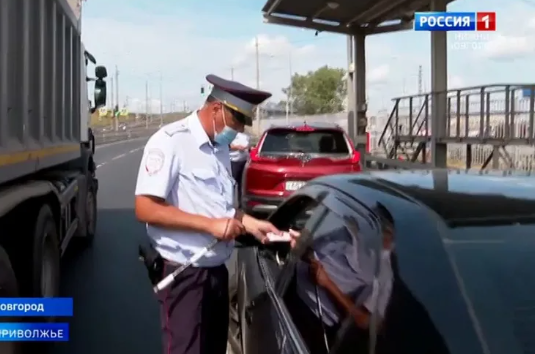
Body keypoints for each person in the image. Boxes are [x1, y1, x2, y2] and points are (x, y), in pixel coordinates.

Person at [135, 74, 282, 354]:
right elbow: (145, 207)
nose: (238, 129)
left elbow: (221, 208)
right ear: (217, 109)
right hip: (184, 273)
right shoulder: (170, 141)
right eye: (236, 121)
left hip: (216, 272)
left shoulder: (219, 148)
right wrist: (209, 226)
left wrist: (252, 224)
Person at [288, 205, 394, 353]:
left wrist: (328, 284)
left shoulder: (384, 274)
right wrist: (304, 248)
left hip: (317, 322)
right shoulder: (351, 235)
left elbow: (366, 323)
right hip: (294, 291)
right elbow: (317, 250)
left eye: (381, 231)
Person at [229, 131, 250, 206]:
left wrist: (248, 148)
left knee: (242, 184)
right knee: (232, 184)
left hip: (244, 161)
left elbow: (248, 146)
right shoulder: (231, 133)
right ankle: (230, 203)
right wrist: (237, 147)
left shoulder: (246, 134)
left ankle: (241, 204)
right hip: (233, 161)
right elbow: (226, 145)